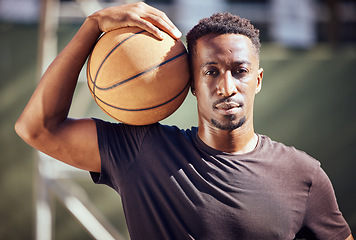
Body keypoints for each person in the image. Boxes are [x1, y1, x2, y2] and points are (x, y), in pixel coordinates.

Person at [15, 2, 353, 240]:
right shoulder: (142, 151)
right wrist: (93, 25)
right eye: (211, 72)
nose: (226, 87)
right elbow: (37, 128)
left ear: (259, 80)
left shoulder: (303, 175)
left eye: (240, 71)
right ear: (191, 83)